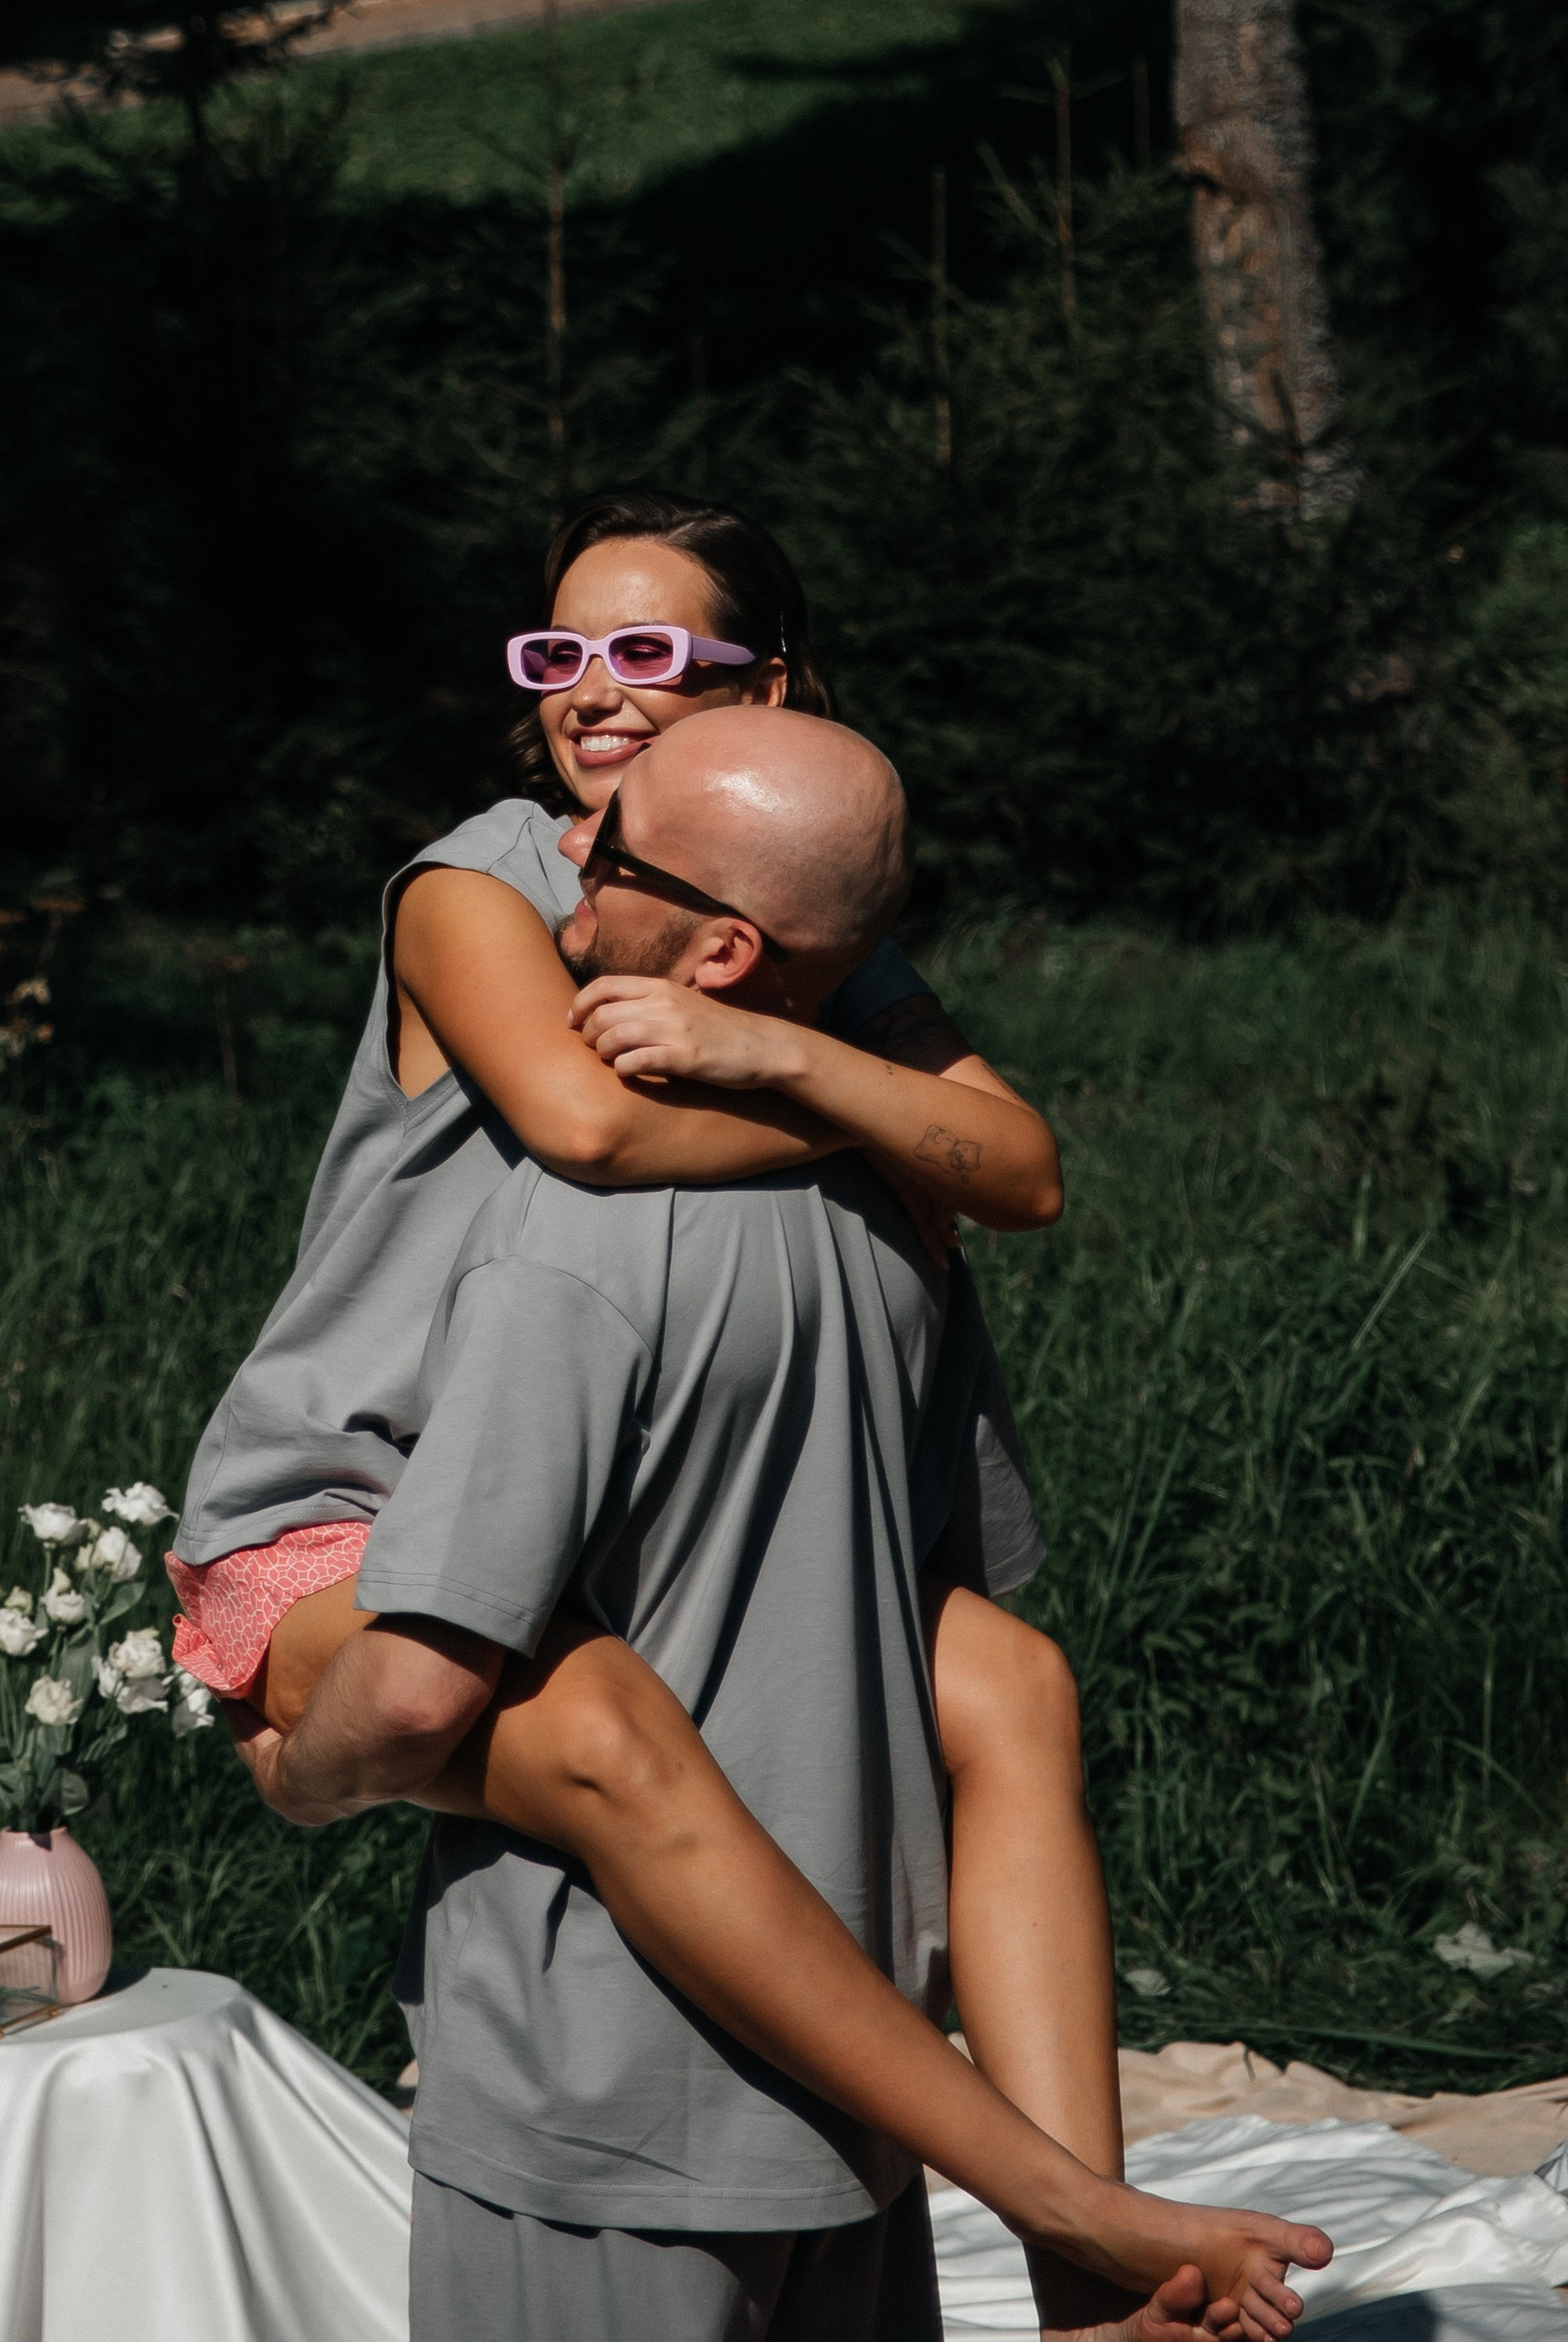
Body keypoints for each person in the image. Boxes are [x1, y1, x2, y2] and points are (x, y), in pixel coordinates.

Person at [232, 716, 1331, 2342]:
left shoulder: (577, 1241)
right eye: (566, 668)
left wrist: (284, 1772)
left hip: (596, 2104)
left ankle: (1071, 2220)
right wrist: (850, 1093)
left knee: (602, 1723)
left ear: (733, 945)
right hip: (837, 2105)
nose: (570, 857)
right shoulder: (897, 1206)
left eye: (608, 848)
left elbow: (414, 1692)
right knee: (976, 1683)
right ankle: (1082, 2264)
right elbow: (910, 1558)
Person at [171, 491, 1120, 2329]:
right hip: (360, 1499)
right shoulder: (486, 885)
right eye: (556, 653)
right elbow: (593, 1131)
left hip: (608, 1493)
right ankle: (1012, 2173)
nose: (590, 693)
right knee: (591, 1724)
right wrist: (859, 1102)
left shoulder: (764, 907)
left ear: (764, 681)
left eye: (647, 653)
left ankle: (1085, 2268)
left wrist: (773, 1045)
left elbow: (1020, 1166)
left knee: (1012, 1682)